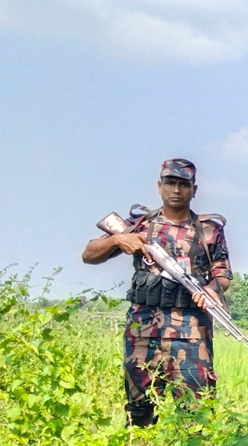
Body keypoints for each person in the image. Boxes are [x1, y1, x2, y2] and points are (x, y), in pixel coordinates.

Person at [82, 158, 231, 427]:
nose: (176, 189)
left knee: (197, 412)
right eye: (170, 183)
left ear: (194, 190)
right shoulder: (139, 225)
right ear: (159, 186)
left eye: (183, 184)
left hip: (191, 332)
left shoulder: (209, 230)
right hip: (143, 329)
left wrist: (210, 290)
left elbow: (222, 274)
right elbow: (89, 255)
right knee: (139, 409)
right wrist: (118, 239)